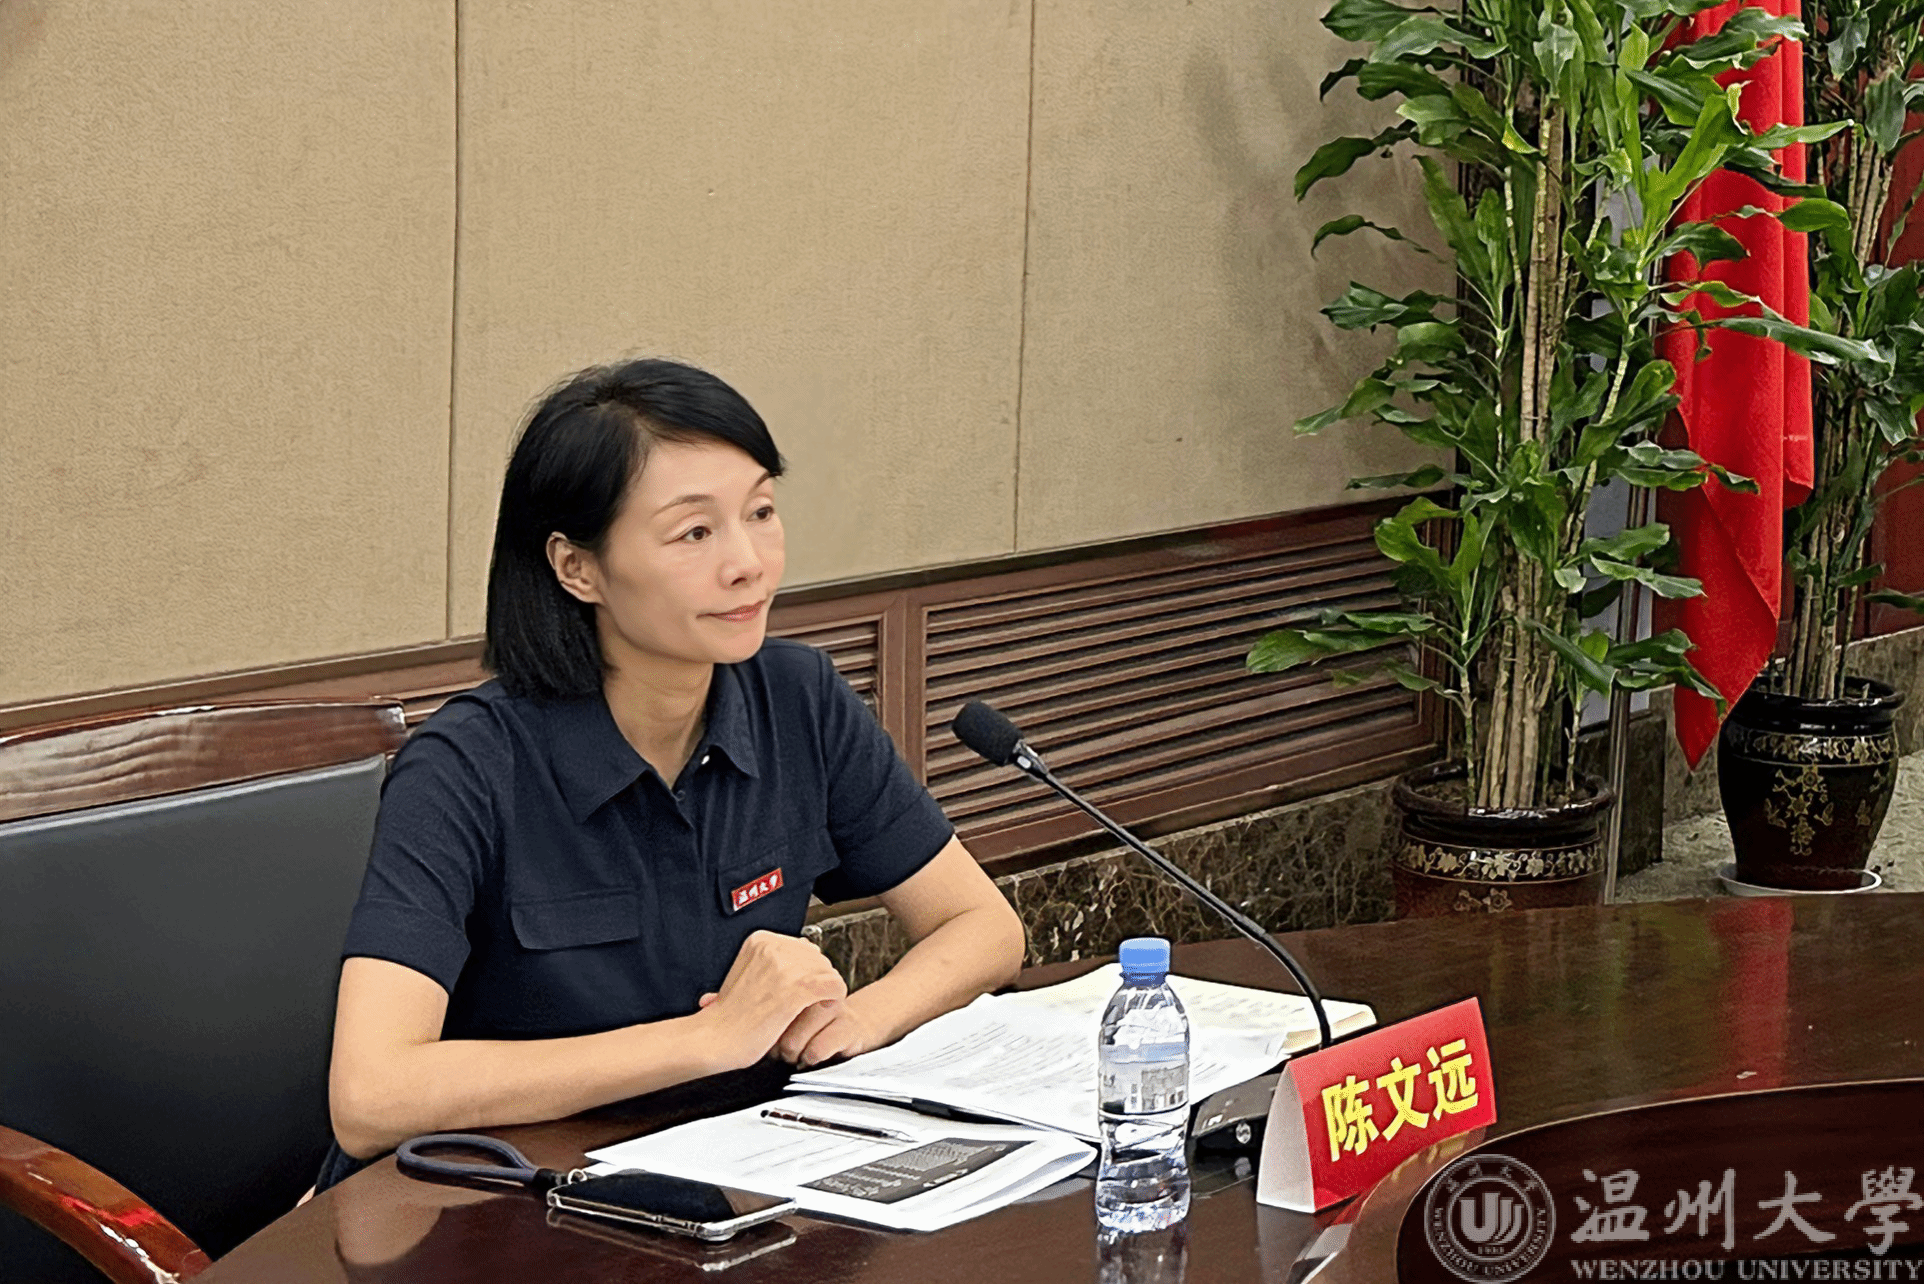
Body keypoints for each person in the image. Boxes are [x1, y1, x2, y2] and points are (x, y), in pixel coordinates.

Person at [315, 358, 1026, 1191]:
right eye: (694, 533)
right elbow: (371, 1095)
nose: (748, 563)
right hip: (486, 1204)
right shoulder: (466, 765)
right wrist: (704, 1042)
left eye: (760, 512)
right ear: (577, 568)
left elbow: (982, 926)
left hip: (723, 1174)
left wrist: (858, 1020)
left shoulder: (798, 699)